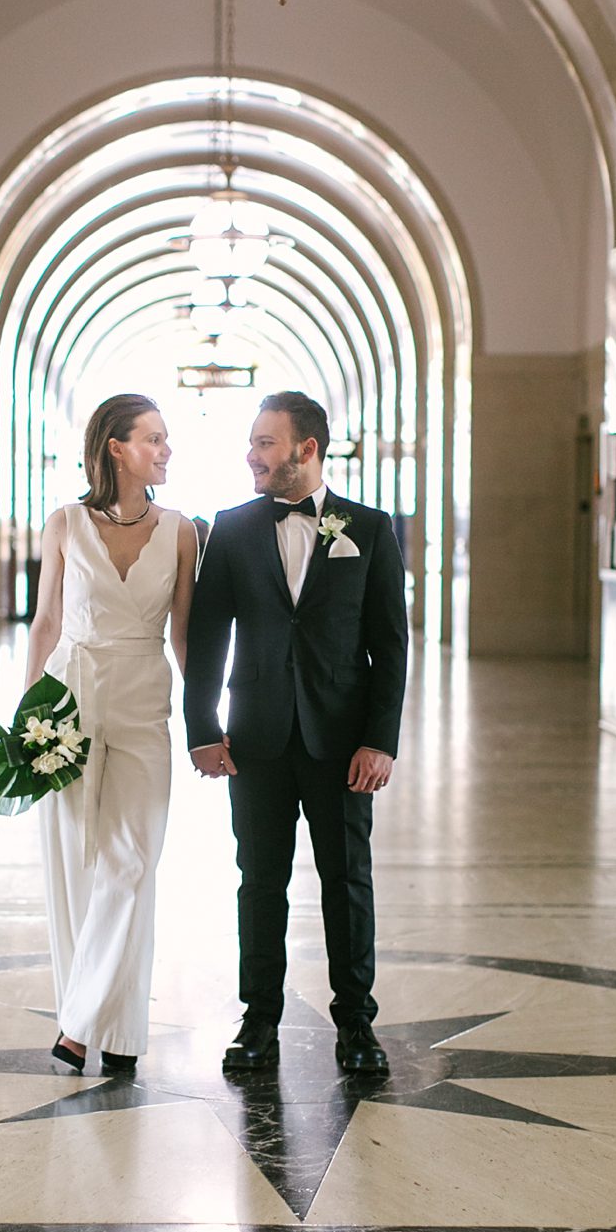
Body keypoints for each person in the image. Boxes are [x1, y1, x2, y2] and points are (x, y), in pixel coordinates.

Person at [182, 390, 408, 1076]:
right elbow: (207, 636)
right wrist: (202, 727)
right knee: (260, 882)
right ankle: (259, 1020)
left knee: (348, 881)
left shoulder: (369, 529)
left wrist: (380, 740)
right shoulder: (233, 529)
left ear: (306, 450)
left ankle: (357, 1024)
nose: (251, 455)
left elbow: (390, 645)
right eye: (253, 443)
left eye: (265, 443)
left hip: (343, 743)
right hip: (256, 739)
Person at [24, 395, 198, 1076]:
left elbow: (183, 634)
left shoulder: (181, 532)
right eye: (153, 438)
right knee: (77, 864)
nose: (165, 450)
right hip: (68, 700)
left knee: (131, 862)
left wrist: (207, 722)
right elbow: (45, 622)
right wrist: (26, 719)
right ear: (116, 449)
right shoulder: (65, 523)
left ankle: (79, 1022)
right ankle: (117, 1032)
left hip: (143, 704)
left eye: (166, 439)